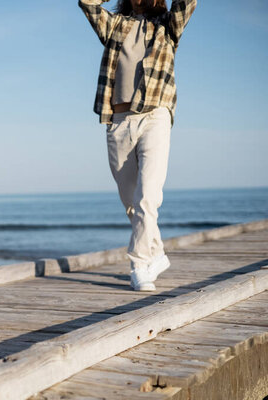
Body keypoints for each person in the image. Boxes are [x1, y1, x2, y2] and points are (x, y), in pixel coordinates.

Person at [78, 0, 196, 291]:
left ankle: (139, 265)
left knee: (148, 197)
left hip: (155, 115)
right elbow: (87, 2)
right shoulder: (116, 25)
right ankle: (157, 254)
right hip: (118, 120)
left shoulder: (168, 26)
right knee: (131, 202)